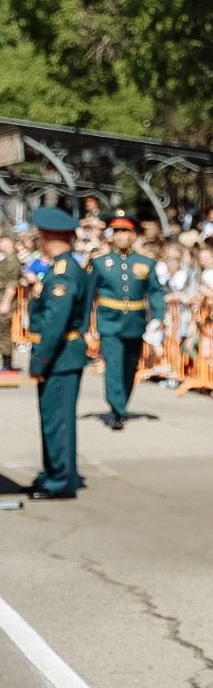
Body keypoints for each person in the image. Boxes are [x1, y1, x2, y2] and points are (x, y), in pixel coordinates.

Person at [25, 207, 95, 500]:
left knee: (58, 420)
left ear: (48, 237)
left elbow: (55, 323)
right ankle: (55, 471)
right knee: (53, 418)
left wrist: (39, 361)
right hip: (62, 353)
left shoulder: (63, 274)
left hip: (60, 354)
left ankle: (60, 480)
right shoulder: (61, 269)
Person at [90, 209, 166, 429]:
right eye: (118, 231)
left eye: (126, 231)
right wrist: (85, 324)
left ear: (134, 235)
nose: (122, 236)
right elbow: (89, 295)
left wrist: (159, 315)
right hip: (109, 321)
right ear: (112, 236)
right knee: (113, 366)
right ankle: (117, 409)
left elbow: (155, 291)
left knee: (130, 367)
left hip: (135, 321)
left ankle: (122, 403)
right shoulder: (101, 262)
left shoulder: (146, 262)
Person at [0, 233, 20, 375]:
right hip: (2, 297)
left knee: (3, 331)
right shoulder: (7, 259)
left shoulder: (13, 261)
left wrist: (5, 303)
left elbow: (11, 284)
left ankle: (7, 364)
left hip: (5, 299)